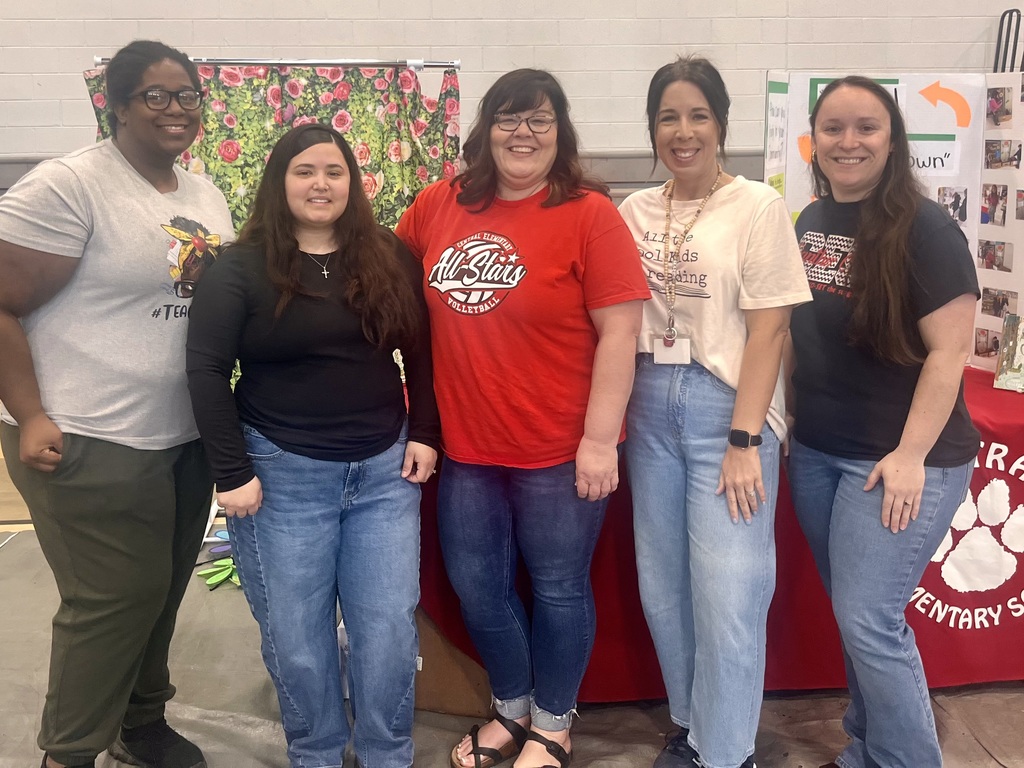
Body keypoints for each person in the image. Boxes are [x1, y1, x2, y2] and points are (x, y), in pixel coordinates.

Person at [396, 68, 648, 768]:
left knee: (560, 588)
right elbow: (380, 277)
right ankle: (511, 706)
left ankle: (555, 724)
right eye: (508, 118)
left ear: (560, 131)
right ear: (485, 130)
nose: (523, 133)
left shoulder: (589, 214)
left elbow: (620, 335)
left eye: (539, 119)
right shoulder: (436, 205)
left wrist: (600, 441)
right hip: (470, 447)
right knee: (479, 586)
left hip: (560, 450)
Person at [0, 40, 234, 768]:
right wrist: (31, 411)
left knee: (160, 593)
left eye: (188, 95)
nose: (175, 109)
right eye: (156, 96)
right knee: (113, 601)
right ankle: (67, 754)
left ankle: (141, 723)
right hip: (87, 433)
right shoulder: (69, 186)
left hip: (180, 437)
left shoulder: (203, 192)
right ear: (120, 105)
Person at [185, 124, 440, 768]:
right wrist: (231, 470)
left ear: (352, 183)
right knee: (299, 640)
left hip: (384, 474)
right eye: (304, 171)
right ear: (280, 182)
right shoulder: (239, 268)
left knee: (385, 632)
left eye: (334, 170)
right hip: (279, 475)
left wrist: (427, 433)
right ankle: (318, 751)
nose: (320, 183)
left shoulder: (388, 255)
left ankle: (387, 753)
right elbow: (207, 370)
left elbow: (423, 354)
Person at [617, 56, 811, 768]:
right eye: (668, 116)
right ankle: (696, 728)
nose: (683, 130)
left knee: (729, 593)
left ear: (722, 125)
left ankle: (728, 754)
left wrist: (744, 437)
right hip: (647, 407)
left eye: (698, 114)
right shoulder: (633, 211)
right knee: (663, 587)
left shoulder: (758, 206)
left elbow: (772, 328)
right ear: (652, 128)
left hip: (727, 408)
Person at [787, 76, 980, 768]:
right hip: (818, 452)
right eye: (833, 128)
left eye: (866, 127)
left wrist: (909, 456)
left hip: (901, 460)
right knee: (853, 616)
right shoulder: (811, 221)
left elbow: (950, 352)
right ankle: (867, 748)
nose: (849, 142)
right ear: (814, 139)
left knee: (870, 618)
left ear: (892, 139)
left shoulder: (927, 230)